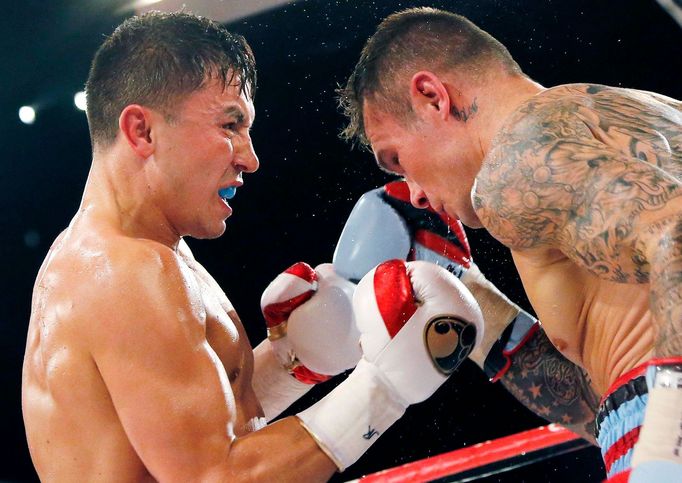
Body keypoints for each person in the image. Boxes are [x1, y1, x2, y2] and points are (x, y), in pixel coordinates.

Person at [21, 11, 487, 482]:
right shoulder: (128, 271)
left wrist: (292, 363)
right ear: (142, 131)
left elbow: (195, 433)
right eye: (229, 125)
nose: (251, 158)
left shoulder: (137, 254)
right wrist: (384, 387)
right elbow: (212, 478)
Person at [337, 7, 682, 482]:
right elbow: (609, 401)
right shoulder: (648, 113)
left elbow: (677, 235)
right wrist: (469, 293)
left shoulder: (518, 160)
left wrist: (667, 446)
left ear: (431, 96)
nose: (413, 190)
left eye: (396, 159)